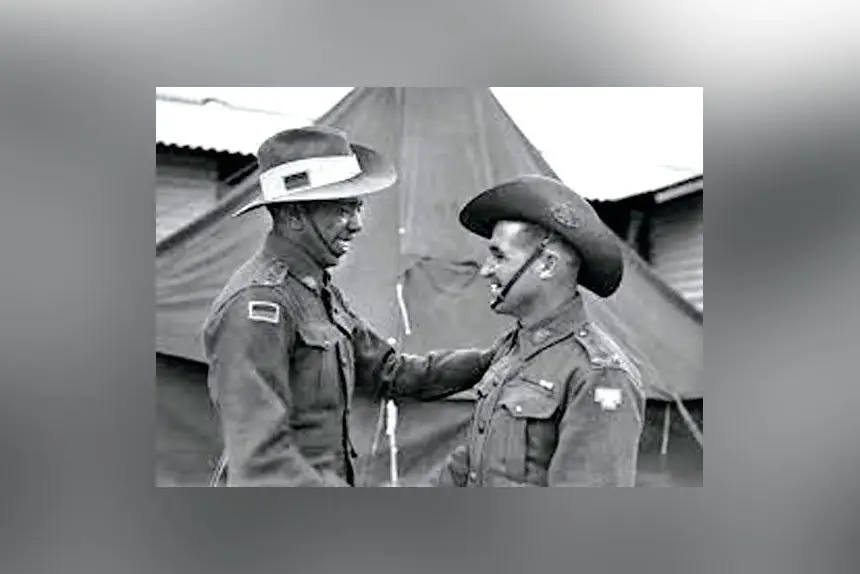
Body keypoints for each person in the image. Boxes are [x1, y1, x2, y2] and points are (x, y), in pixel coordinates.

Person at [202, 126, 494, 487]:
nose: (357, 225)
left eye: (357, 207)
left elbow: (392, 372)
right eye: (342, 210)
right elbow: (262, 461)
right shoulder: (257, 305)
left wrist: (490, 360)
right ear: (293, 215)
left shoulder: (317, 290)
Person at [432, 174, 647, 487]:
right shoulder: (511, 350)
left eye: (499, 256)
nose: (485, 270)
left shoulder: (599, 374)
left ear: (546, 265)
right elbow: (470, 465)